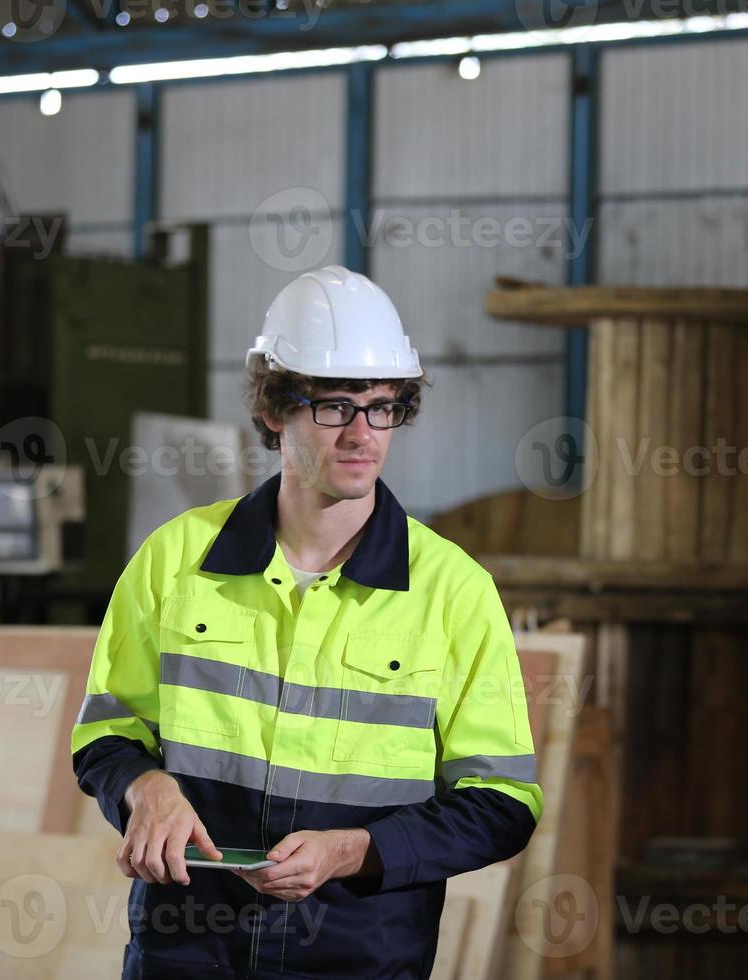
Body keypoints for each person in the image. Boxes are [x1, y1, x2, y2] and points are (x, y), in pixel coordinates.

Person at [71, 264, 542, 979]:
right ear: (273, 409)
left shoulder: (453, 592)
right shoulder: (174, 563)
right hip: (187, 954)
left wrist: (352, 850)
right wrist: (147, 789)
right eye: (335, 406)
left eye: (384, 407)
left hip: (361, 958)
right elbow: (108, 733)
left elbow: (502, 805)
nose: (363, 434)